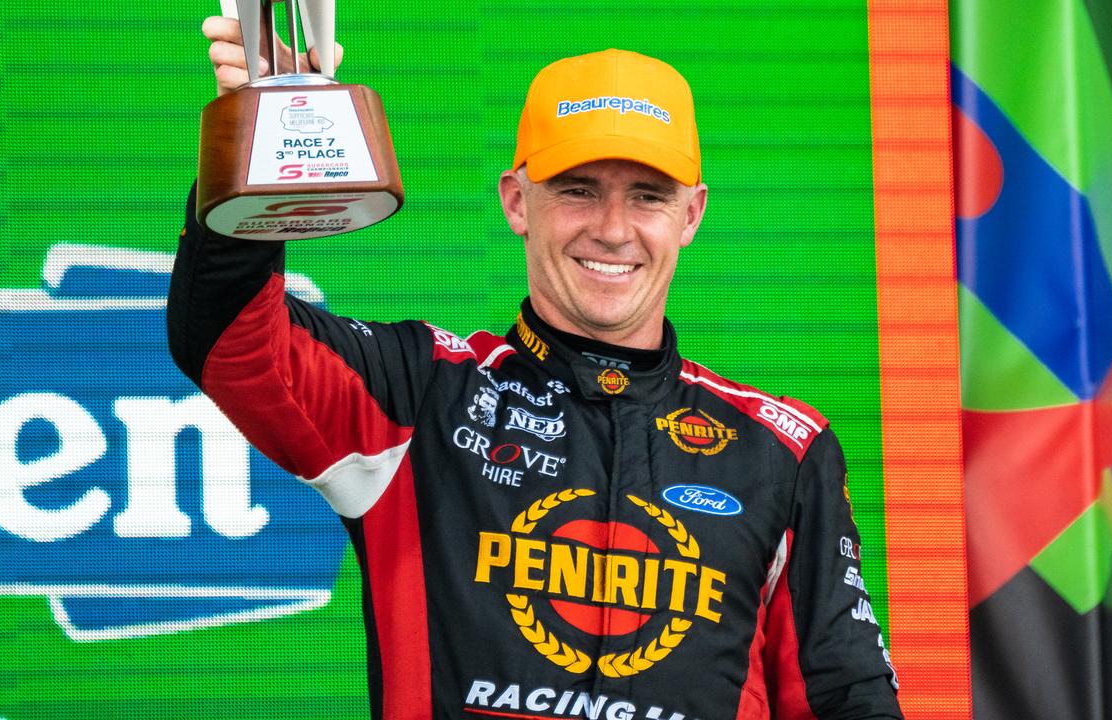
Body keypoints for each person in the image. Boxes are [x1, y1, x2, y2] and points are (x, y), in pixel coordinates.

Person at [170, 17, 902, 720]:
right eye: (579, 189)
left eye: (647, 196)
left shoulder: (782, 450)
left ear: (691, 216)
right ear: (518, 202)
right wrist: (260, 135)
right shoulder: (421, 391)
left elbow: (848, 697)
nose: (613, 229)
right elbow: (230, 340)